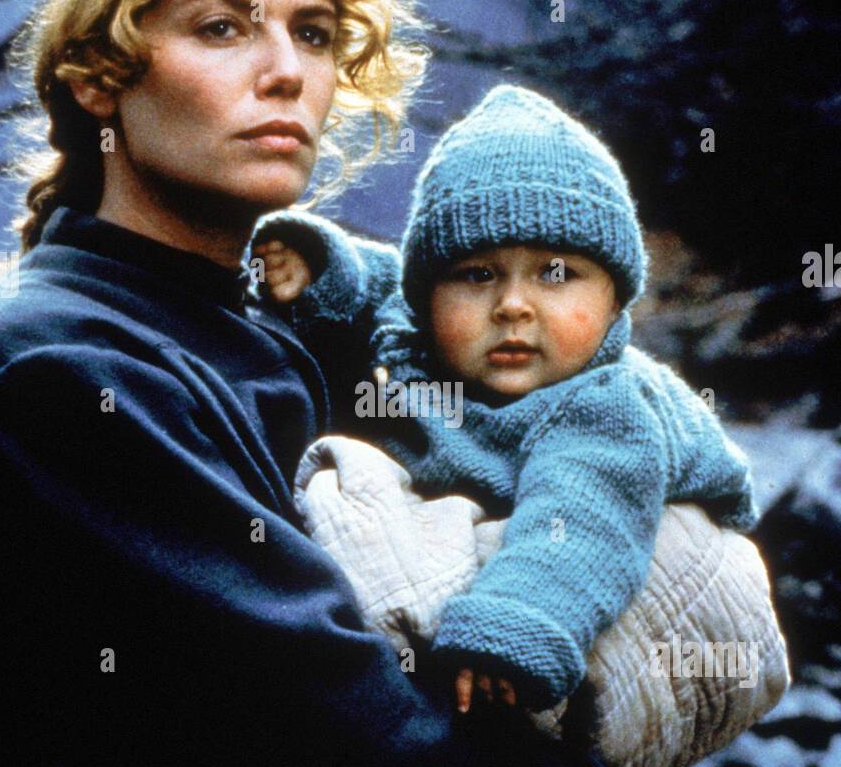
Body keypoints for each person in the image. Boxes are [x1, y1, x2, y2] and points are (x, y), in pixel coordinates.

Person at [0, 0, 657, 767]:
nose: (285, 68)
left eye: (313, 31)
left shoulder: (285, 323)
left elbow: (587, 406)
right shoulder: (64, 361)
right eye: (222, 26)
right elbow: (344, 723)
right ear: (98, 74)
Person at [250, 83, 759, 717]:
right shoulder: (419, 335)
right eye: (477, 274)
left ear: (614, 298)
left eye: (556, 274)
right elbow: (381, 281)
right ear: (429, 294)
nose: (513, 305)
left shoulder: (605, 406)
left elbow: (582, 520)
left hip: (610, 562)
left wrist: (512, 623)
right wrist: (316, 266)